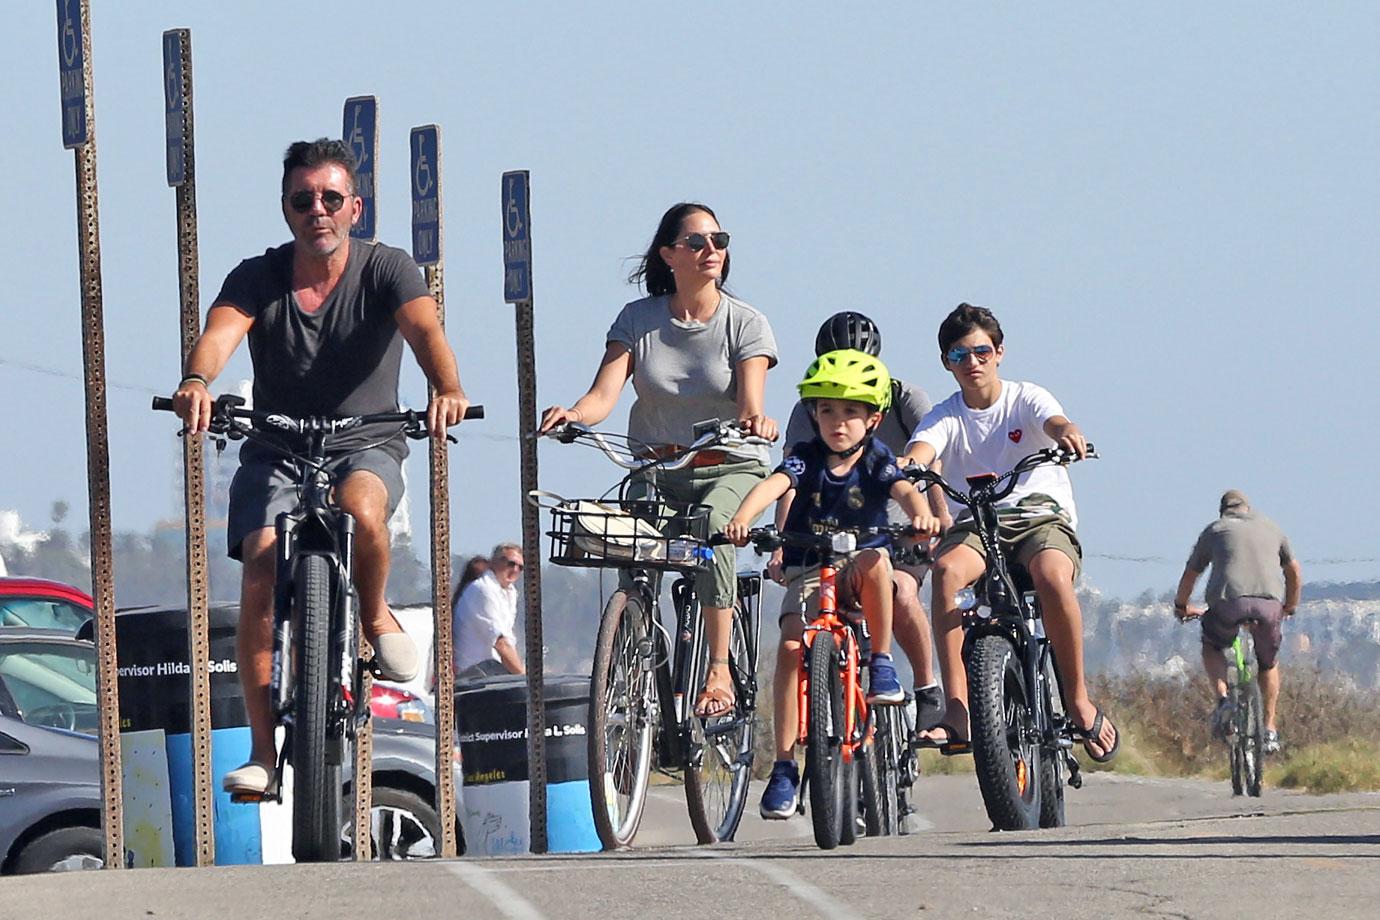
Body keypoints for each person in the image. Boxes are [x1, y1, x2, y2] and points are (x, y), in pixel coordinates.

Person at [171, 139, 470, 795]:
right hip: (275, 443)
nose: (318, 211)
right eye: (303, 200)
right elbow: (222, 331)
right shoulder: (259, 273)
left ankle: (371, 614)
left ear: (354, 207)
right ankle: (260, 752)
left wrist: (446, 388)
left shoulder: (388, 268)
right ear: (286, 209)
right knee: (258, 561)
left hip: (366, 440)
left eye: (331, 198)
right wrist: (197, 379)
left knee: (364, 509)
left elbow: (424, 331)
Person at [539, 202, 778, 718]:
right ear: (670, 254)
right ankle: (633, 646)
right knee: (624, 541)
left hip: (728, 464)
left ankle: (718, 669)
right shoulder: (638, 319)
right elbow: (603, 394)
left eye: (719, 240)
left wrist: (756, 422)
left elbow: (750, 407)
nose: (711, 250)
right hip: (655, 468)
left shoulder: (746, 323)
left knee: (715, 529)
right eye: (697, 242)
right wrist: (574, 415)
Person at [723, 350, 940, 819]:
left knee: (877, 563)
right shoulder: (805, 457)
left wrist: (919, 511)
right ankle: (783, 767)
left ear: (873, 419)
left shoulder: (877, 459)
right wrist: (743, 517)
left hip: (857, 570)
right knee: (787, 648)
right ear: (813, 415)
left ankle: (880, 662)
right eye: (826, 411)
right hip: (809, 567)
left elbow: (901, 487)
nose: (837, 423)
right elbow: (775, 485)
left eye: (849, 413)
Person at [900, 303, 1119, 764]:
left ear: (998, 352)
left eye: (981, 351)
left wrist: (1068, 433)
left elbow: (1054, 422)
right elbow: (923, 446)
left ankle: (1077, 701)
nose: (972, 363)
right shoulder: (946, 416)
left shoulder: (1026, 398)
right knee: (943, 572)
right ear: (947, 364)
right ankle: (957, 708)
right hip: (978, 523)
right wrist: (909, 465)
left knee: (1053, 577)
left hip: (1039, 516)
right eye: (960, 355)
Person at [776, 312, 950, 734]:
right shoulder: (810, 409)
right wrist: (783, 540)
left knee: (902, 590)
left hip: (892, 526)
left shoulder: (903, 398)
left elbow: (931, 464)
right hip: (830, 532)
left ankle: (927, 687)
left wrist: (936, 516)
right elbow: (789, 479)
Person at [1173, 490, 1301, 754]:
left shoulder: (1215, 530)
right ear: (1248, 508)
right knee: (1269, 663)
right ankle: (1269, 728)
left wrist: (1181, 606)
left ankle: (1223, 701)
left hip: (1228, 603)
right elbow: (1293, 571)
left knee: (1212, 644)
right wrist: (1290, 605)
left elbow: (1191, 574)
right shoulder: (1271, 527)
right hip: (1269, 605)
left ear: (1223, 511)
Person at [453, 543, 526, 678]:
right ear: (494, 562)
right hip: (475, 673)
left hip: (493, 670)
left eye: (520, 567)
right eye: (511, 563)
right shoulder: (483, 589)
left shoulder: (509, 593)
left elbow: (508, 642)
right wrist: (525, 680)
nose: (515, 570)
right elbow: (501, 644)